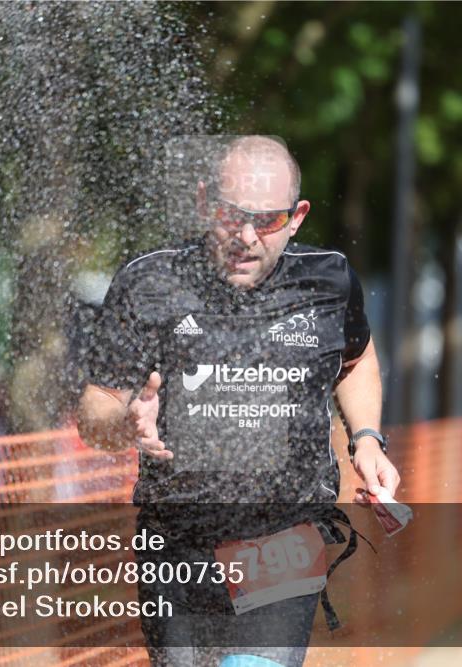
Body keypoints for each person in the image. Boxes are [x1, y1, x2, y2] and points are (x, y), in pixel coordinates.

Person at [76, 135, 401, 667]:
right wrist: (126, 424)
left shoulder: (327, 280)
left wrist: (366, 439)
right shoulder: (151, 283)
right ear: (206, 204)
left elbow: (356, 358)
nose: (246, 237)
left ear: (296, 217)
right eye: (231, 216)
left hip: (283, 536)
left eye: (268, 221)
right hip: (177, 544)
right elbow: (95, 410)